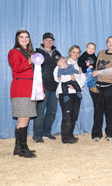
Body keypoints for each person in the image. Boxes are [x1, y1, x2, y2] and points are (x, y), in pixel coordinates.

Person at [8, 28, 37, 158]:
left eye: (26, 37)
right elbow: (17, 68)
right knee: (23, 119)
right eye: (21, 37)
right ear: (17, 39)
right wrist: (30, 61)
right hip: (21, 89)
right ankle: (23, 149)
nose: (24, 39)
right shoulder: (14, 52)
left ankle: (18, 148)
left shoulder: (29, 52)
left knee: (24, 118)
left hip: (30, 88)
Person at [90, 36, 112, 142]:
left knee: (109, 110)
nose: (110, 43)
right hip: (97, 85)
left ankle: (110, 133)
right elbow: (96, 66)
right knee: (98, 110)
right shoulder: (101, 53)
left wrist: (98, 72)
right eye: (109, 41)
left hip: (111, 86)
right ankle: (96, 134)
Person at [54, 45, 86, 144]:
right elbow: (56, 77)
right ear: (69, 53)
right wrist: (69, 79)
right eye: (74, 52)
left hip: (76, 92)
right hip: (65, 92)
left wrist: (77, 86)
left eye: (78, 52)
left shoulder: (80, 65)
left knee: (74, 115)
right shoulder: (63, 63)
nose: (76, 54)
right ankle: (66, 138)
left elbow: (83, 78)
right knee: (67, 114)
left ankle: (70, 135)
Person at [33, 32, 61, 143]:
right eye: (47, 40)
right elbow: (33, 70)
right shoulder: (37, 53)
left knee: (52, 112)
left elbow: (61, 67)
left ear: (53, 41)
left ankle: (46, 132)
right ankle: (37, 135)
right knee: (40, 113)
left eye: (51, 40)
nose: (49, 42)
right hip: (42, 87)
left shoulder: (57, 54)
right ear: (43, 41)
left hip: (54, 87)